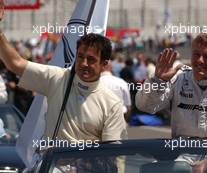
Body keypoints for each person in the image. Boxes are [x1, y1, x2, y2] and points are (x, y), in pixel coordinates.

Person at [0, 3, 127, 142]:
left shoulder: (112, 104)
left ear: (104, 64)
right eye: (80, 57)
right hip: (51, 163)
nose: (84, 63)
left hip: (89, 164)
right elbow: (15, 63)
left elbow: (111, 153)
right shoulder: (57, 78)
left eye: (91, 59)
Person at [136, 33, 207, 142]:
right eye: (196, 54)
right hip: (180, 157)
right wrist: (158, 81)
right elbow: (145, 106)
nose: (200, 60)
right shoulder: (177, 79)